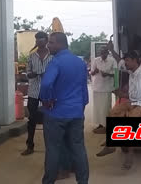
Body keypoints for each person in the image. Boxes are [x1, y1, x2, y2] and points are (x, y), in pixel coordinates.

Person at [40, 32, 89, 184]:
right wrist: (81, 106)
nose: (48, 45)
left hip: (56, 114)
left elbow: (47, 84)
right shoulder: (80, 63)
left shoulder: (55, 62)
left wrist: (46, 100)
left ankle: (48, 181)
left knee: (53, 149)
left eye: (51, 43)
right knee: (78, 148)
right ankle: (83, 181)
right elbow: (84, 89)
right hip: (76, 113)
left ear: (61, 44)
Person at [96, 50, 141, 170]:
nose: (125, 63)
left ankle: (130, 153)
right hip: (134, 102)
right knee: (113, 112)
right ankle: (111, 144)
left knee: (130, 118)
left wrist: (122, 94)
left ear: (135, 61)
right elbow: (120, 64)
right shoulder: (132, 71)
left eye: (128, 61)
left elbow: (138, 95)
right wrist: (112, 49)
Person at [21, 31, 53, 156]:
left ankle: (51, 147)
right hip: (34, 91)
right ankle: (30, 146)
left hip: (49, 92)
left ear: (46, 40)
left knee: (50, 119)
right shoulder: (32, 56)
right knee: (32, 119)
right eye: (37, 39)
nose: (39, 41)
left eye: (42, 39)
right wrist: (32, 74)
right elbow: (27, 73)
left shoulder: (52, 56)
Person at [91, 48, 116, 134]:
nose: (103, 56)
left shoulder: (112, 60)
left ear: (107, 53)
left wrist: (108, 74)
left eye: (104, 54)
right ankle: (101, 125)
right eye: (101, 54)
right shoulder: (96, 60)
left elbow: (116, 74)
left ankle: (106, 125)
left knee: (106, 107)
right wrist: (95, 71)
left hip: (107, 88)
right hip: (97, 87)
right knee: (98, 108)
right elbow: (91, 73)